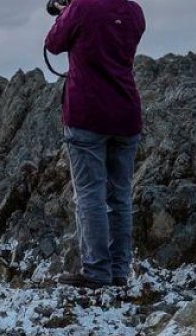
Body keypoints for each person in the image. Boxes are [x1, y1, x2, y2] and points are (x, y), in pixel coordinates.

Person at [46, 0, 147, 289]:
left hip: (87, 114)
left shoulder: (81, 8)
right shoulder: (135, 12)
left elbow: (53, 43)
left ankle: (97, 271)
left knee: (90, 194)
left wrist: (65, 10)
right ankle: (119, 271)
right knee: (121, 196)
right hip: (126, 114)